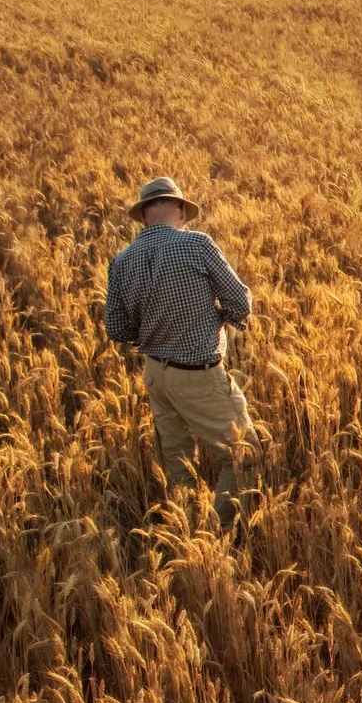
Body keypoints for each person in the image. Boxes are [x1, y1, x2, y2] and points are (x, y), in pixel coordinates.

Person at [104, 176, 255, 522]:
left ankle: (186, 538)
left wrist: (151, 331)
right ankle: (214, 540)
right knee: (244, 455)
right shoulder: (197, 245)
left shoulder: (121, 261)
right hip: (197, 377)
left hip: (156, 374)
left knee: (178, 465)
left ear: (143, 216)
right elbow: (239, 302)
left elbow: (116, 328)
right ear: (182, 212)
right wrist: (218, 317)